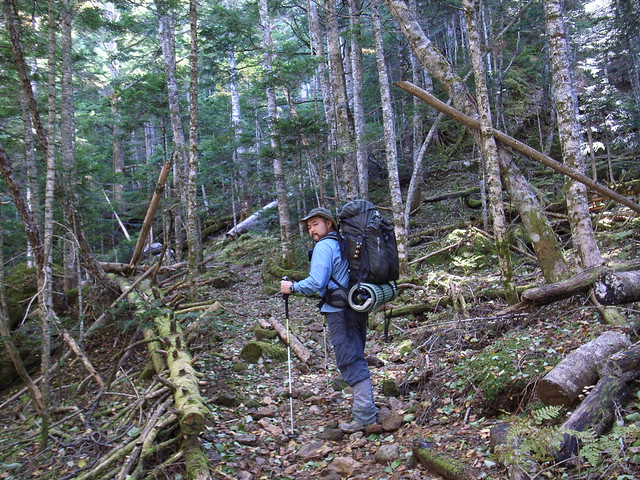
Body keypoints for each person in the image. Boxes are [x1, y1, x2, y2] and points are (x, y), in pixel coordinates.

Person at [280, 207, 378, 432]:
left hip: (339, 311)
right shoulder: (342, 242)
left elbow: (316, 283)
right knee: (355, 355)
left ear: (329, 224)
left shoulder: (324, 246)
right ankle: (366, 408)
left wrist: (292, 287)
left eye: (315, 224)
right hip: (356, 305)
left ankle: (365, 416)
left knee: (349, 359)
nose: (311, 230)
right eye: (309, 227)